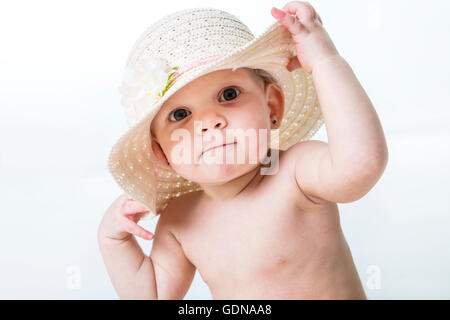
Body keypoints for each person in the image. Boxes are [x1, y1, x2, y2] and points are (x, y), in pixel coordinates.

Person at [98, 2, 388, 299]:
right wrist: (114, 242)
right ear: (162, 154)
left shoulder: (294, 173)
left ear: (272, 105)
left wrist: (325, 62)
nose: (209, 122)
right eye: (180, 114)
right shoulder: (179, 220)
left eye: (228, 94)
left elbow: (361, 164)